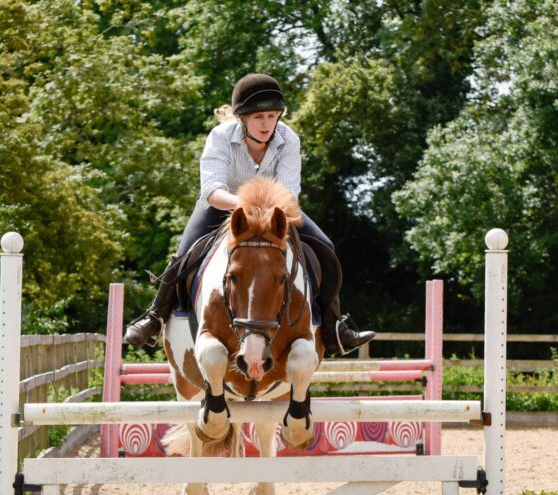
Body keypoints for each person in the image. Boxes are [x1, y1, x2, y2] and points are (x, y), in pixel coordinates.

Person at [124, 73, 375, 356]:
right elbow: (212, 190)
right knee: (184, 254)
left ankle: (333, 327)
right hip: (223, 205)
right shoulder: (220, 137)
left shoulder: (288, 139)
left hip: (275, 209)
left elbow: (289, 193)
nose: (267, 124)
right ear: (241, 117)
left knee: (325, 247)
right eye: (258, 117)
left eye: (272, 115)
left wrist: (265, 209)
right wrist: (244, 205)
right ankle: (155, 317)